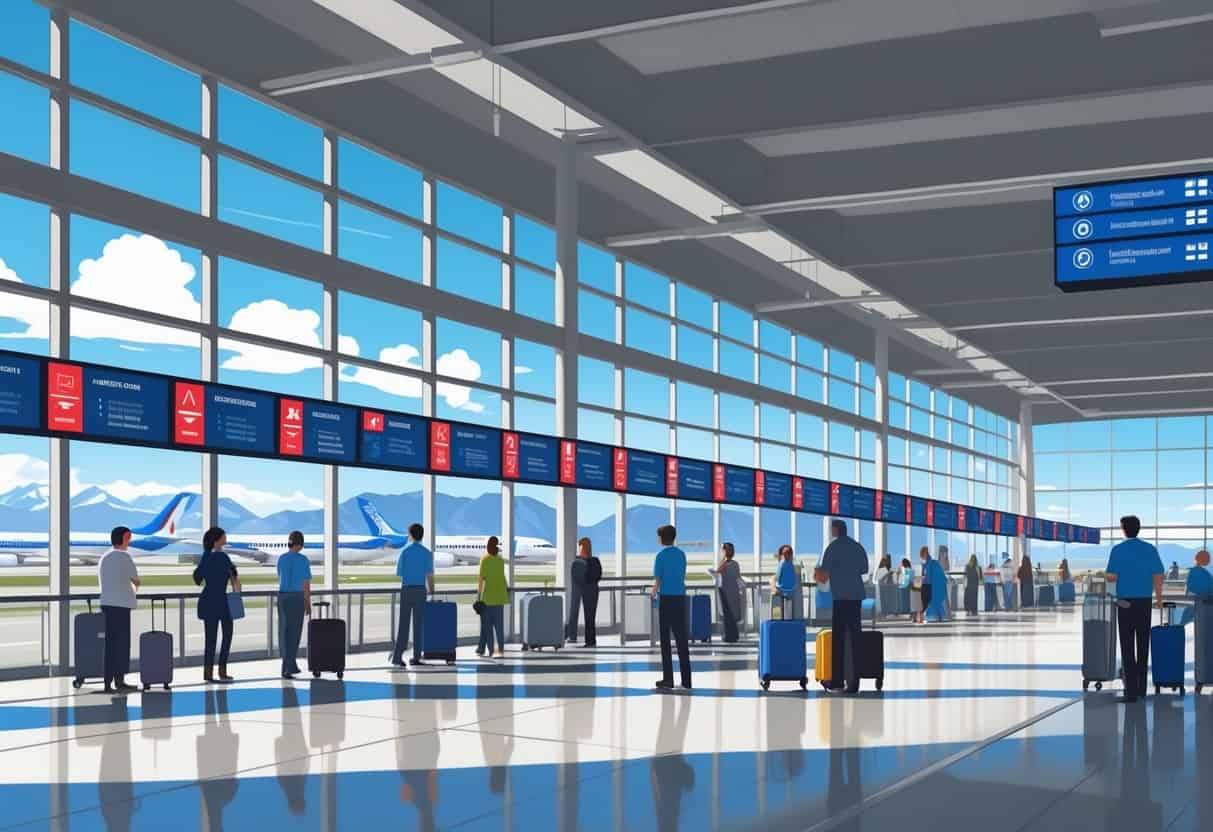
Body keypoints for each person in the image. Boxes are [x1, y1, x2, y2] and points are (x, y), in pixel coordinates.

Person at [1105, 515, 1165, 704]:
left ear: (1123, 529)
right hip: (1145, 602)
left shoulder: (1118, 550)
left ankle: (1130, 692)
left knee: (1127, 645)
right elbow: (1158, 575)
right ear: (1139, 528)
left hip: (1125, 603)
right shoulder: (1149, 549)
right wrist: (1159, 598)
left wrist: (1113, 581)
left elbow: (1112, 577)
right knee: (1143, 643)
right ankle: (1141, 690)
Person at [815, 519, 869, 694]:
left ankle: (837, 681)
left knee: (838, 640)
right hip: (856, 597)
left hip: (840, 597)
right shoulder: (857, 546)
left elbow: (822, 575)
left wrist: (820, 574)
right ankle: (854, 683)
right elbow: (864, 569)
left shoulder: (832, 548)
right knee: (855, 638)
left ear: (836, 530)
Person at [193, 527, 241, 683]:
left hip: (208, 601)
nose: (225, 537)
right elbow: (235, 579)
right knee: (227, 636)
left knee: (210, 639)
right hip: (223, 601)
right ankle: (222, 670)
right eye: (223, 536)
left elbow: (197, 580)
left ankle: (208, 673)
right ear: (217, 539)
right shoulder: (223, 557)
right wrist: (237, 598)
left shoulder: (205, 557)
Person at [99, 526, 140, 693]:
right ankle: (120, 680)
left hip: (106, 604)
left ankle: (107, 682)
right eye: (128, 538)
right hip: (122, 606)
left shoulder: (105, 557)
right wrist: (133, 588)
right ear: (124, 538)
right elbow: (136, 581)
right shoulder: (125, 557)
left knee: (109, 645)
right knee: (122, 645)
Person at [652, 525, 691, 690]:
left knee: (665, 640)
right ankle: (686, 680)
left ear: (662, 538)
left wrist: (654, 592)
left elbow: (658, 578)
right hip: (680, 598)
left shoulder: (660, 555)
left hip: (666, 598)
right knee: (681, 640)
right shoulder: (681, 554)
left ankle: (668, 678)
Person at [392, 523, 434, 667]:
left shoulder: (405, 552)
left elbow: (400, 573)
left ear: (410, 535)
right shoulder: (427, 553)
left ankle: (397, 656)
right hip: (421, 590)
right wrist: (432, 591)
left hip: (407, 590)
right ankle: (416, 656)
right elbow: (429, 575)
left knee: (403, 625)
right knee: (418, 625)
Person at [276, 530, 312, 679]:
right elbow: (305, 584)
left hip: (282, 597)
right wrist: (307, 602)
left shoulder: (282, 558)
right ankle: (289, 666)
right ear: (301, 544)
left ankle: (287, 665)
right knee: (295, 633)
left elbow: (280, 576)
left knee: (284, 632)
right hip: (296, 598)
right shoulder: (303, 560)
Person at [477, 536, 508, 658]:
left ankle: (491, 651)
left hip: (487, 598)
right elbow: (502, 577)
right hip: (500, 597)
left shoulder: (485, 559)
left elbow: (481, 579)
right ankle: (500, 649)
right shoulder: (500, 560)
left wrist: (478, 596)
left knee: (487, 627)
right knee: (499, 627)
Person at [712, 542, 743, 642]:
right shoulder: (729, 564)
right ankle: (731, 635)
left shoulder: (731, 564)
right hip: (728, 591)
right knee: (729, 614)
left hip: (730, 591)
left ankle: (731, 635)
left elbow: (719, 572)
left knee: (730, 614)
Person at [578, 537, 603, 647]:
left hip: (589, 590)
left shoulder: (586, 562)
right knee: (589, 616)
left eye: (581, 546)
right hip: (592, 590)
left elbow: (592, 576)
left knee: (589, 616)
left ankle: (590, 641)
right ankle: (590, 640)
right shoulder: (594, 561)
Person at [920, 545, 948, 623]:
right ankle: (939, 617)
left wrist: (923, 582)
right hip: (936, 585)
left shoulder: (930, 564)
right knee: (936, 601)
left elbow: (927, 577)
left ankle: (938, 617)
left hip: (933, 586)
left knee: (933, 600)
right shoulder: (932, 563)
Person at [566, 544, 585, 644]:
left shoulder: (576, 563)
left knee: (573, 612)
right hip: (581, 590)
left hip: (577, 590)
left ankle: (572, 635)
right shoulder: (578, 563)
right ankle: (571, 635)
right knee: (574, 613)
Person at [772, 544, 798, 617]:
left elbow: (778, 577)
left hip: (782, 589)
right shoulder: (792, 564)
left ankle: (774, 592)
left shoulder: (782, 563)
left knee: (771, 579)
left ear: (783, 555)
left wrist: (775, 582)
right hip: (792, 589)